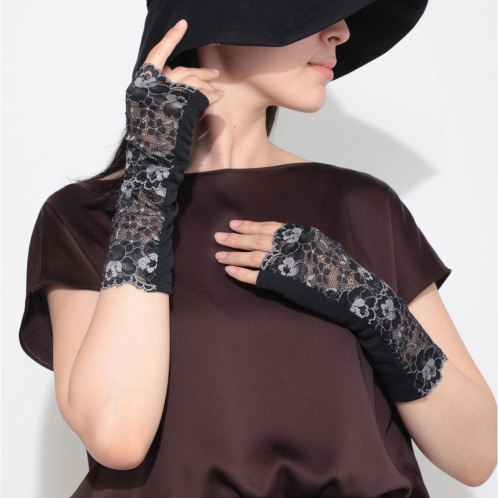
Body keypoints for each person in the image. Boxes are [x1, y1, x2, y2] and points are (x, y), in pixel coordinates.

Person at [18, 3, 496, 497]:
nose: (341, 31)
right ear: (218, 19)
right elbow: (117, 438)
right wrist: (149, 179)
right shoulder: (86, 217)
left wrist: (369, 303)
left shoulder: (363, 206)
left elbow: (477, 455)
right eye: (315, 8)